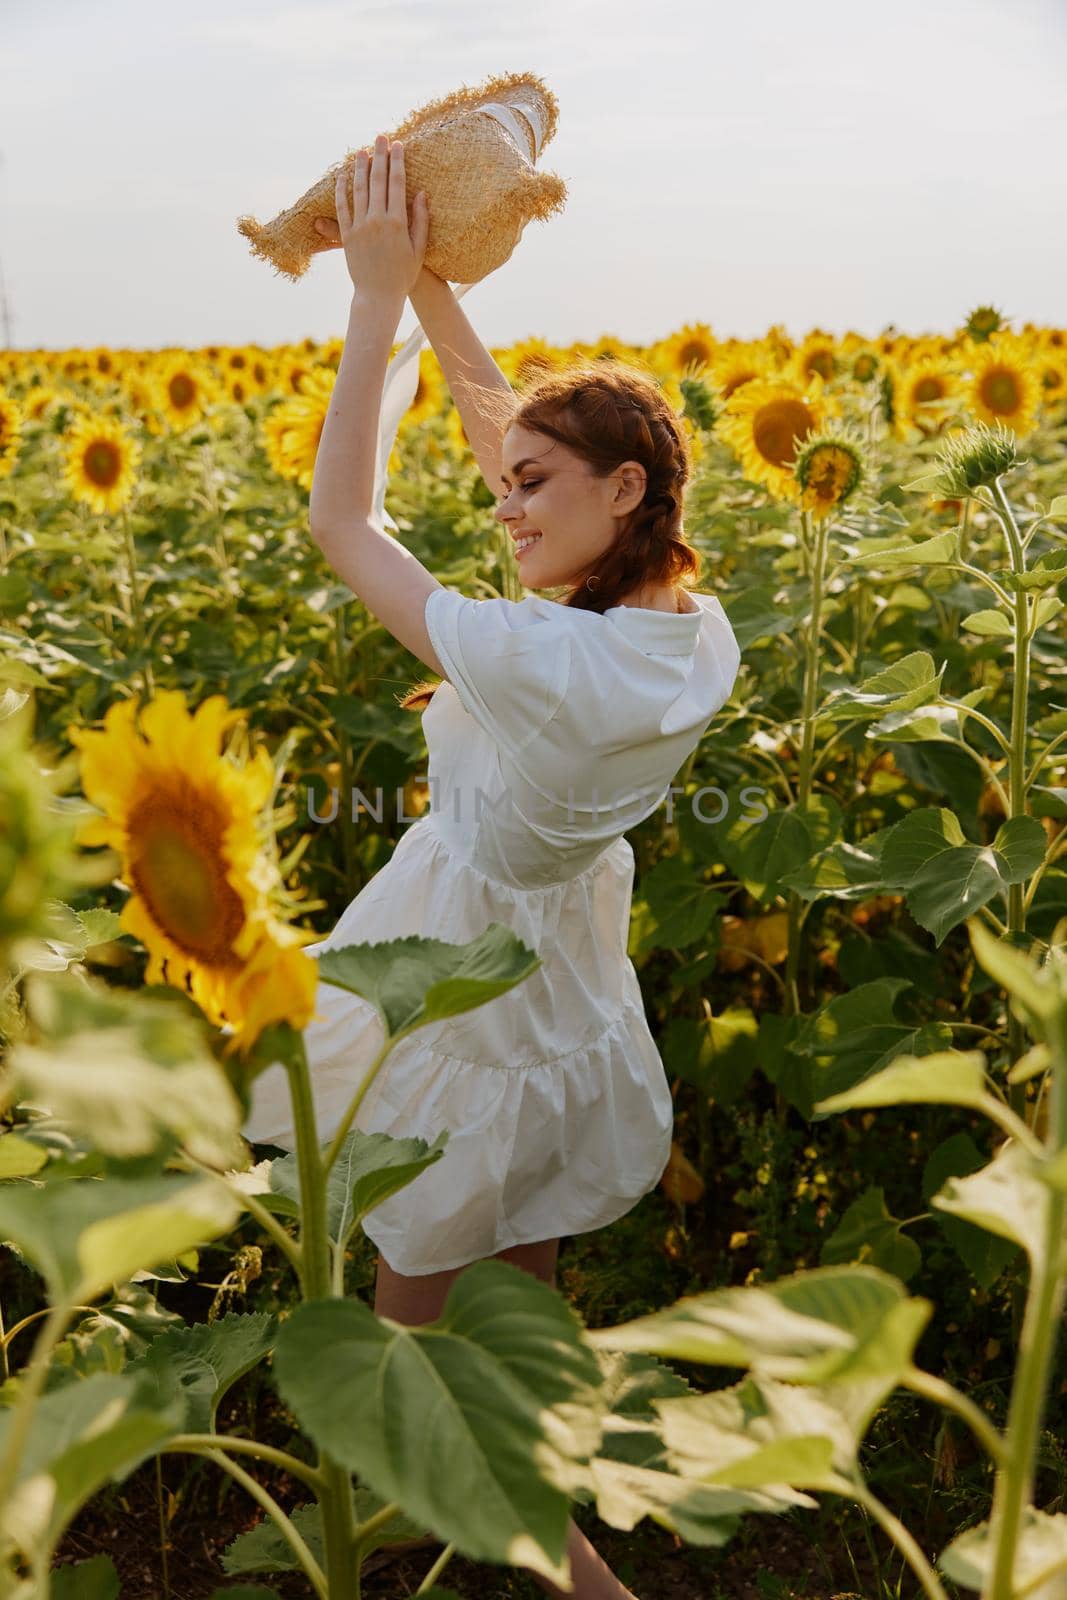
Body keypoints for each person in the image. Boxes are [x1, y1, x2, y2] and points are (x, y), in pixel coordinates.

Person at [242, 141, 742, 1600]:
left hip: (453, 979)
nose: (506, 506)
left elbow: (345, 525)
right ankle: (545, 1519)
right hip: (556, 969)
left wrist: (376, 308)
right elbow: (513, 454)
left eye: (533, 488)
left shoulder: (539, 659)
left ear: (625, 486)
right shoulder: (679, 626)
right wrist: (447, 302)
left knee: (407, 1365)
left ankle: (571, 1574)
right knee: (509, 1318)